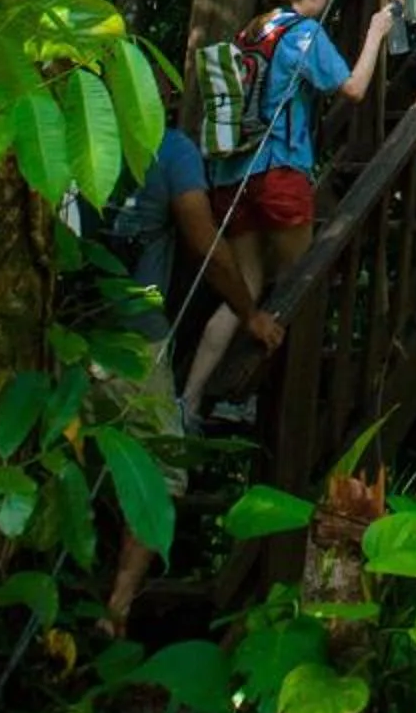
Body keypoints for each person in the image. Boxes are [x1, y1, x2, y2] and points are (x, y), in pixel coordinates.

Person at [97, 109, 287, 631]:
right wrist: (249, 313)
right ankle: (116, 607)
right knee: (160, 471)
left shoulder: (74, 132)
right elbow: (207, 244)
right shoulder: (170, 149)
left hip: (69, 328)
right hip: (133, 339)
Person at [180, 0, 388, 423]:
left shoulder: (250, 33)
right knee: (300, 288)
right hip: (279, 171)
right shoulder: (303, 35)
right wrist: (375, 32)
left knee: (245, 292)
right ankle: (249, 396)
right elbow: (352, 88)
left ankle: (190, 399)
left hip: (234, 175)